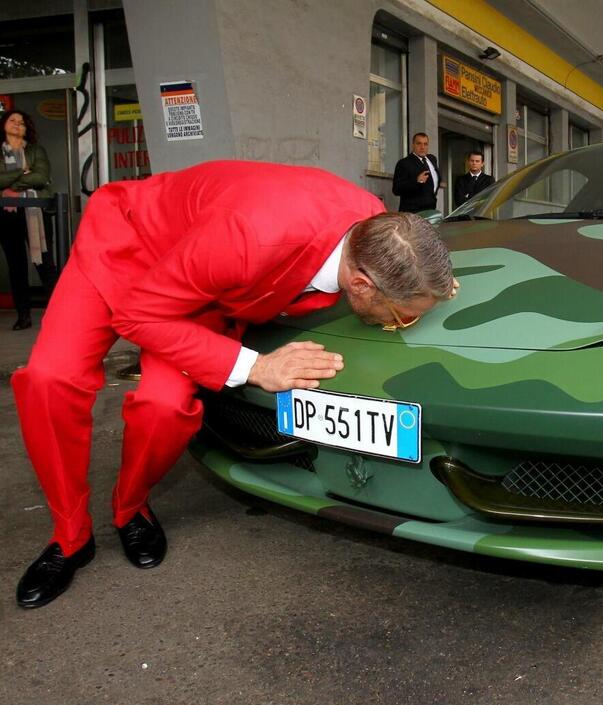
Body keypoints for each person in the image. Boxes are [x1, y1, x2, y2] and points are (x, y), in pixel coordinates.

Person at [13, 160, 457, 608]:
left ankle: (130, 508)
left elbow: (403, 260)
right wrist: (255, 367)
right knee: (48, 380)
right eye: (403, 315)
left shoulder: (375, 225)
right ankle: (70, 536)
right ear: (360, 284)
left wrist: (432, 284)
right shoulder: (250, 239)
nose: (404, 323)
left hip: (202, 281)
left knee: (164, 407)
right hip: (130, 244)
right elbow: (138, 314)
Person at [0, 110, 51, 331]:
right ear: (3, 125)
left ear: (26, 128)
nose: (17, 125)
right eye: (12, 120)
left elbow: (41, 177)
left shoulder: (36, 150)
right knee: (16, 264)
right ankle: (24, 315)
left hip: (34, 210)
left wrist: (10, 184)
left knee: (44, 262)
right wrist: (23, 171)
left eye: (21, 122)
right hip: (6, 213)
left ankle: (58, 310)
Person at [392, 132, 440, 213]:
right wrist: (416, 181)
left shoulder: (432, 159)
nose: (422, 147)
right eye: (419, 144)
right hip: (413, 212)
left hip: (431, 210)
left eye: (425, 144)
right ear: (413, 145)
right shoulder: (404, 163)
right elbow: (396, 189)